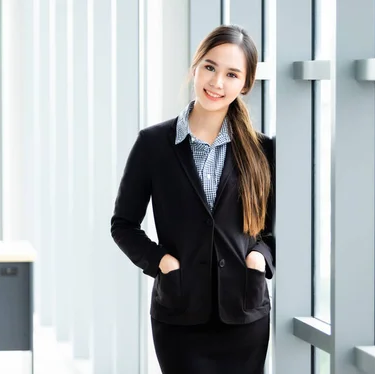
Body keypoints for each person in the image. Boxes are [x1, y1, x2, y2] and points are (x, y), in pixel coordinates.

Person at [110, 24, 275, 374]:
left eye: (232, 74)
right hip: (179, 315)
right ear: (195, 67)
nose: (217, 83)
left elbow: (278, 230)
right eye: (211, 67)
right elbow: (123, 225)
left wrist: (259, 259)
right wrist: (161, 264)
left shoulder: (263, 151)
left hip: (245, 313)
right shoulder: (153, 144)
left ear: (245, 84)